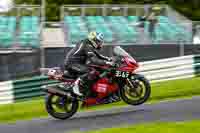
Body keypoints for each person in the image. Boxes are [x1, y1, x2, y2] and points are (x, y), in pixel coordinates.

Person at [64, 31, 119, 102]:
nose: (100, 43)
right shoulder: (87, 45)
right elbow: (94, 60)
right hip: (72, 64)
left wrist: (109, 59)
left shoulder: (88, 44)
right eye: (99, 41)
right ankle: (76, 87)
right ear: (94, 40)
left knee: (96, 71)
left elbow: (98, 55)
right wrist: (107, 63)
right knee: (90, 71)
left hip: (77, 63)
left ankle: (92, 92)